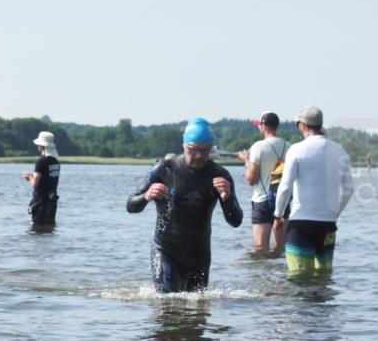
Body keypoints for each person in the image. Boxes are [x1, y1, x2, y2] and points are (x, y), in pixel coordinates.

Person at [127, 118, 243, 293]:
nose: (198, 155)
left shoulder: (219, 174)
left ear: (210, 148)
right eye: (193, 149)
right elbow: (130, 205)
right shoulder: (165, 169)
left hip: (199, 256)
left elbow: (236, 221)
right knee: (168, 303)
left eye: (204, 151)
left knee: (197, 314)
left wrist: (227, 199)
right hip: (166, 250)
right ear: (183, 145)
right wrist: (147, 196)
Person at [273, 106, 354, 276]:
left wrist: (278, 215)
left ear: (302, 125)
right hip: (328, 224)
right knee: (323, 277)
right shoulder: (340, 151)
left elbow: (285, 186)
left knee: (299, 279)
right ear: (320, 124)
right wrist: (335, 213)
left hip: (301, 224)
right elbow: (348, 189)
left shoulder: (296, 150)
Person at [237, 111, 290, 251]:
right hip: (283, 201)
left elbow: (251, 180)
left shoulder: (258, 147)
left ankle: (264, 273)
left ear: (265, 125)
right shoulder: (289, 147)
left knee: (260, 247)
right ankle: (279, 272)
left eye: (259, 125)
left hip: (262, 201)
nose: (258, 127)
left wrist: (246, 161)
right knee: (281, 247)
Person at [23, 131, 61, 225]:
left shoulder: (41, 161)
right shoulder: (55, 162)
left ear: (41, 146)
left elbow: (35, 184)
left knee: (37, 232)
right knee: (49, 230)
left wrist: (29, 177)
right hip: (52, 204)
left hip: (40, 204)